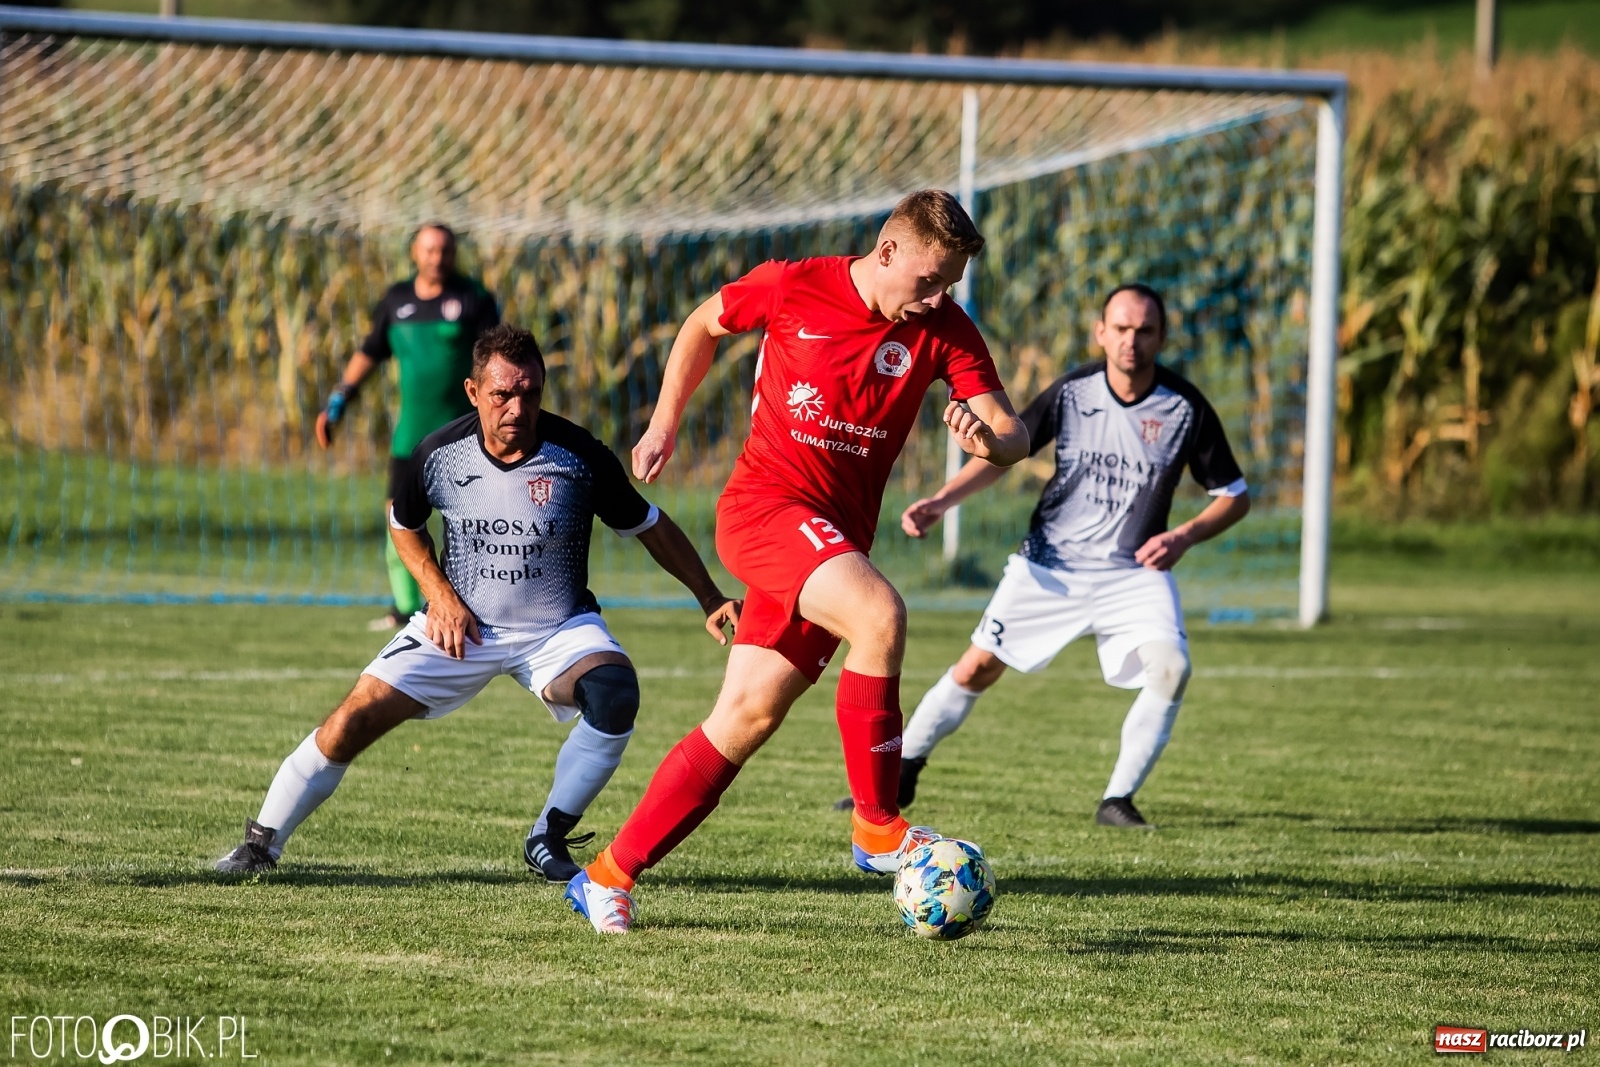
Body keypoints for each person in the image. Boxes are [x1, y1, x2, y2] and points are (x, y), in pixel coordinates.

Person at [564, 190, 1031, 934]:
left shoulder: (944, 329)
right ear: (887, 252)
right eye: (927, 281)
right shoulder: (795, 284)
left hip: (832, 544)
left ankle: (606, 873)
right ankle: (878, 826)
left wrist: (985, 439)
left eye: (948, 285)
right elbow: (702, 323)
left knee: (744, 717)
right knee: (880, 615)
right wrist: (663, 422)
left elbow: (1015, 436)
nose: (937, 297)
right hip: (765, 511)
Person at [217, 324, 740, 881]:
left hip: (555, 629)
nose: (518, 407)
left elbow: (648, 525)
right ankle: (260, 844)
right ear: (472, 392)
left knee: (614, 695)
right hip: (460, 628)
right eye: (502, 395)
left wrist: (709, 596)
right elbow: (403, 523)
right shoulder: (440, 454)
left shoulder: (578, 455)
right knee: (351, 720)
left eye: (530, 393)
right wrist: (439, 597)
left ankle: (548, 835)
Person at [886, 283, 1251, 829]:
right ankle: (904, 769)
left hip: (1133, 575)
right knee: (978, 665)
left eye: (1145, 330)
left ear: (1162, 337)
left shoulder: (1184, 408)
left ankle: (1117, 801)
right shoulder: (1074, 392)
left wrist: (1184, 536)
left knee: (1172, 667)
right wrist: (943, 500)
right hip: (1050, 567)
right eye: (1121, 329)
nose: (1132, 341)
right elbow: (1007, 449)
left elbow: (1234, 495)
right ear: (1101, 332)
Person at [316, 223, 501, 631]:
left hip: (464, 438)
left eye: (445, 250)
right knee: (398, 522)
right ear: (415, 253)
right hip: (410, 438)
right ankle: (405, 612)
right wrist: (337, 401)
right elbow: (369, 352)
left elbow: (498, 361)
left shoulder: (473, 299)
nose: (438, 258)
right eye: (430, 250)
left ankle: (479, 607)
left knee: (471, 525)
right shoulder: (396, 301)